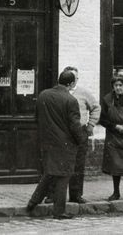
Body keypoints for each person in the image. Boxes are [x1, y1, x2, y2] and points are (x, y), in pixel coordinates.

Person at [26, 69, 87, 220]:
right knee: (64, 176)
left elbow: (36, 118)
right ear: (71, 84)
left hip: (47, 142)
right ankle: (59, 212)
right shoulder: (70, 100)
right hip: (65, 144)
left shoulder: (43, 95)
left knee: (50, 173)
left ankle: (32, 203)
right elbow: (74, 125)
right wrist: (81, 140)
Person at [45, 66, 100, 205]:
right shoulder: (57, 93)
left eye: (75, 78)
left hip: (79, 133)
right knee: (57, 164)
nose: (73, 81)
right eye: (70, 78)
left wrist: (90, 125)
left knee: (78, 165)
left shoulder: (83, 93)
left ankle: (76, 195)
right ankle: (52, 195)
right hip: (61, 134)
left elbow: (96, 107)